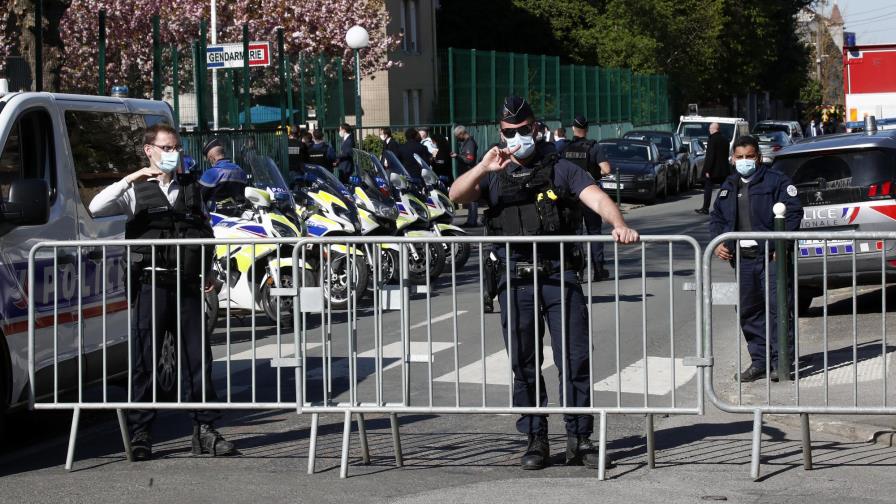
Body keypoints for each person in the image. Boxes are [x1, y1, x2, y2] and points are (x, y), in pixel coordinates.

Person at [449, 96, 639, 470]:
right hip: (515, 279)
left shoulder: (561, 168)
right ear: (500, 134)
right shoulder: (494, 173)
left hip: (558, 275)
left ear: (536, 128)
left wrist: (619, 224)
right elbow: (456, 195)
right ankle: (535, 439)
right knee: (524, 362)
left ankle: (579, 438)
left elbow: (596, 197)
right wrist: (484, 167)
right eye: (509, 133)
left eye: (523, 130)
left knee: (575, 358)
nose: (517, 137)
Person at [88, 123, 237, 461]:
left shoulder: (191, 188)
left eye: (177, 149)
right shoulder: (134, 191)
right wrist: (133, 177)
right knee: (144, 362)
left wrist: (211, 269)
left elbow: (205, 230)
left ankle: (206, 431)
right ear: (149, 150)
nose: (174, 154)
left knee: (198, 360)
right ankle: (141, 434)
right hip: (151, 284)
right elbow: (96, 207)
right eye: (167, 148)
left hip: (186, 284)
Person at [709, 135, 802, 382]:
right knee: (750, 312)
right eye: (739, 157)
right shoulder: (728, 186)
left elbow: (792, 213)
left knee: (778, 309)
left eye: (749, 156)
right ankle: (759, 361)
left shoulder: (776, 181)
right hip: (743, 259)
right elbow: (717, 219)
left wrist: (779, 244)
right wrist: (719, 241)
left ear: (758, 158)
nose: (744, 161)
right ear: (732, 159)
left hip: (771, 257)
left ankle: (781, 363)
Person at [562, 115, 611, 281]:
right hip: (590, 195)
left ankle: (577, 270)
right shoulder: (593, 147)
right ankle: (598, 269)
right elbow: (606, 169)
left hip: (572, 197)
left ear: (573, 129)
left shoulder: (565, 148)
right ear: (587, 129)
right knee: (594, 232)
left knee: (575, 234)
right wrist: (592, 174)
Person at [199, 137, 249, 214]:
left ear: (212, 158)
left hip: (216, 218)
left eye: (209, 160)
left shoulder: (211, 173)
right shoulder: (240, 171)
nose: (209, 162)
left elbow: (199, 197)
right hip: (238, 215)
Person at [695, 122, 730, 215]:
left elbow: (710, 156)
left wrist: (707, 170)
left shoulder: (712, 140)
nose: (709, 130)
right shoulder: (725, 140)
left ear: (714, 129)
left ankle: (705, 208)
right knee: (724, 189)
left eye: (710, 128)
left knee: (708, 189)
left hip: (713, 170)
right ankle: (725, 207)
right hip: (724, 170)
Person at [451, 125, 479, 227]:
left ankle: (472, 221)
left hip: (469, 173)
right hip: (468, 173)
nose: (457, 138)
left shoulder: (470, 143)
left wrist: (457, 156)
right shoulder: (466, 143)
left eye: (458, 136)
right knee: (470, 197)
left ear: (462, 134)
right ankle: (471, 220)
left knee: (472, 197)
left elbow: (470, 160)